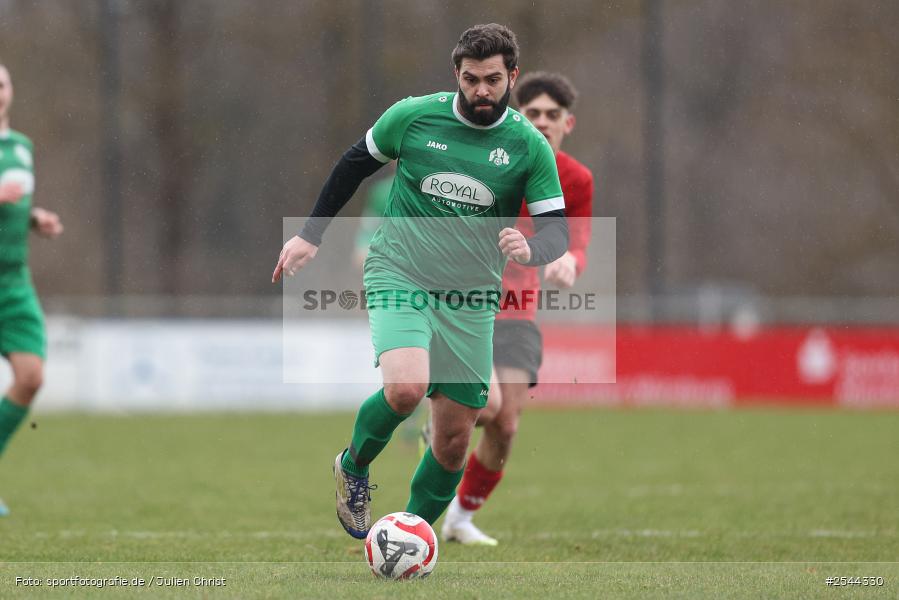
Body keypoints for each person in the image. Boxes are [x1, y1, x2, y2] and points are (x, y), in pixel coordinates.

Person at [272, 23, 569, 538]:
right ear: (456, 73)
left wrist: (532, 248)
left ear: (512, 76)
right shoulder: (413, 116)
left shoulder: (527, 145)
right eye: (471, 79)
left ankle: (409, 537)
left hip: (472, 296)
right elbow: (353, 165)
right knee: (407, 389)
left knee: (453, 440)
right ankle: (353, 466)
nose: (481, 90)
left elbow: (556, 230)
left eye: (493, 80)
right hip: (400, 270)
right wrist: (310, 235)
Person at [440, 72, 595, 545]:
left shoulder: (576, 179)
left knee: (505, 424)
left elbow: (577, 241)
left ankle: (459, 519)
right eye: (533, 114)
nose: (543, 122)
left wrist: (570, 261)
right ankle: (436, 441)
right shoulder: (489, 159)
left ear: (568, 123)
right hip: (463, 300)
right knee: (480, 407)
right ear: (517, 117)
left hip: (518, 308)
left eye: (552, 114)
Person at [0, 62, 64, 517]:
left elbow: (13, 205)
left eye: (1, 83)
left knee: (31, 377)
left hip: (12, 281)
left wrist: (34, 218)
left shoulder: (21, 147)